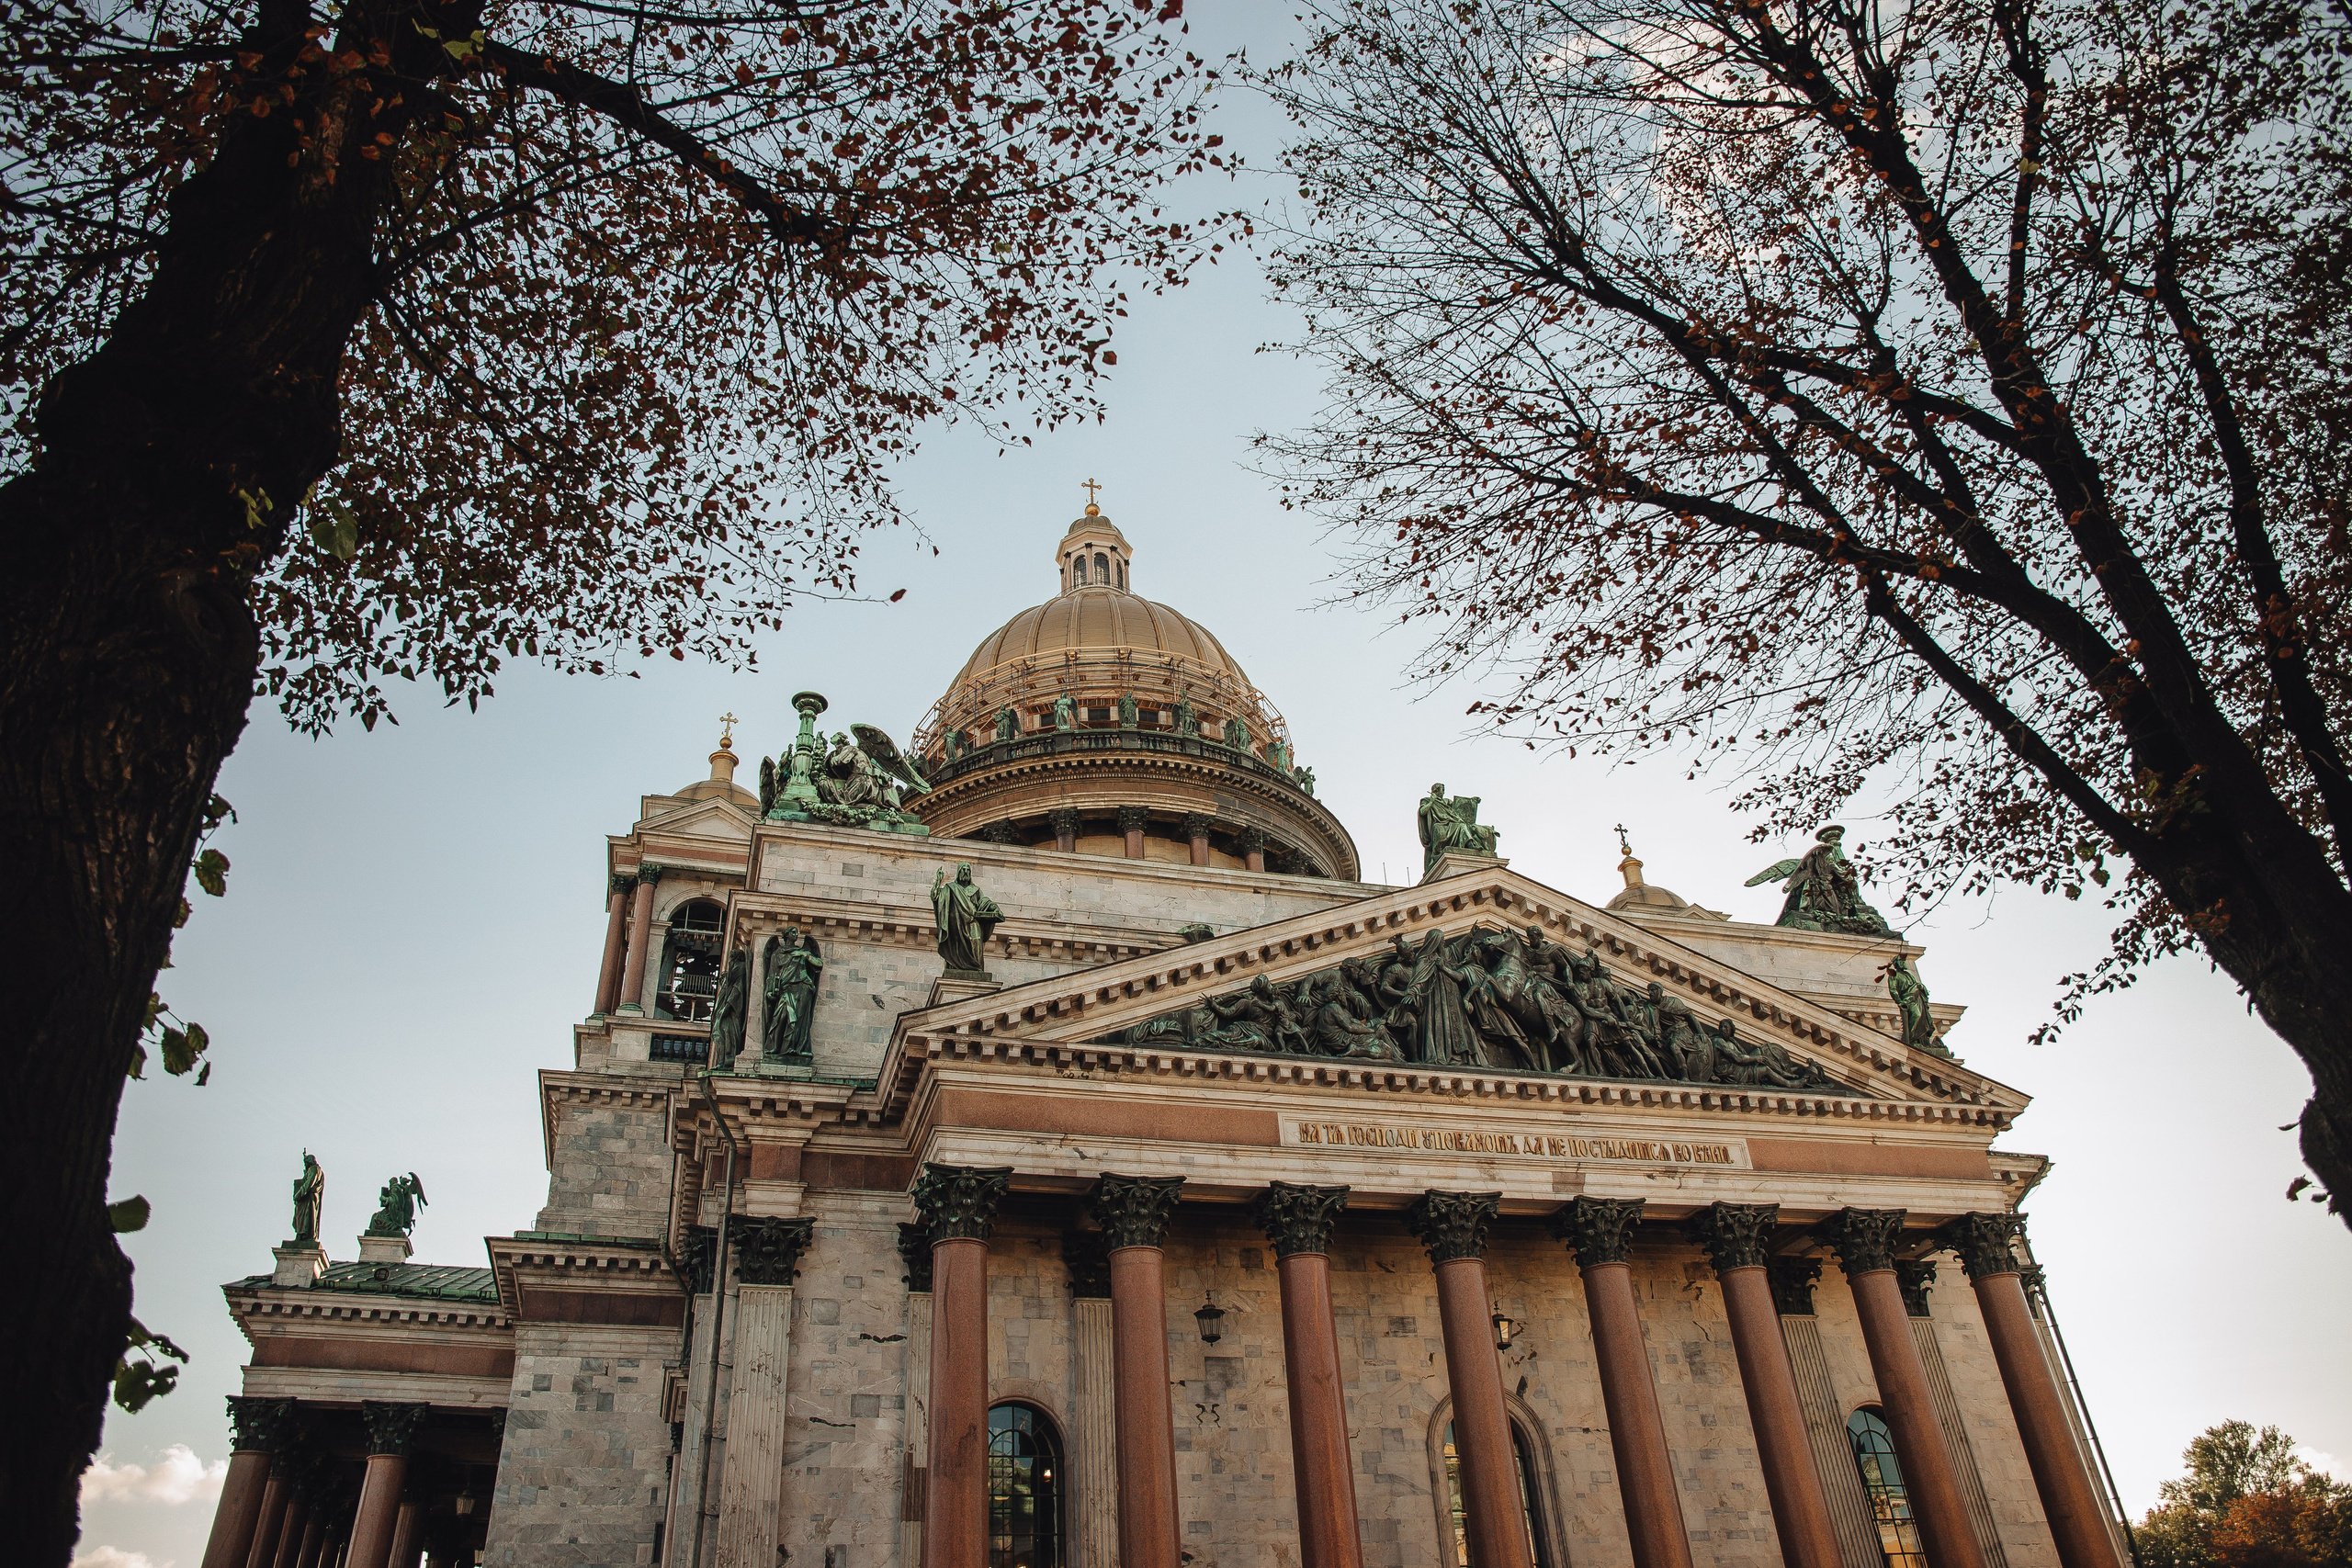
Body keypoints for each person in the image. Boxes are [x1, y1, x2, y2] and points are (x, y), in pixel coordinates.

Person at [762, 928, 822, 1060]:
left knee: (800, 1019)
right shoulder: (777, 955)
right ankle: (776, 1048)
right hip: (785, 989)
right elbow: (771, 975)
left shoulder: (802, 952)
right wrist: (770, 992)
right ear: (786, 935)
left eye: (796, 932)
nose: (796, 934)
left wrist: (805, 955)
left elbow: (819, 964)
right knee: (781, 1016)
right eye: (793, 932)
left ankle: (797, 1048)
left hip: (803, 987)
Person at [932, 863, 1003, 974]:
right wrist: (938, 882)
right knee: (957, 948)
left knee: (975, 941)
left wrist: (995, 909)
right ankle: (956, 966)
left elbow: (985, 902)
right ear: (959, 872)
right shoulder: (950, 888)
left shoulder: (975, 890)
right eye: (963, 870)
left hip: (973, 923)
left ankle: (976, 969)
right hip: (956, 925)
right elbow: (936, 897)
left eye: (967, 870)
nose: (965, 872)